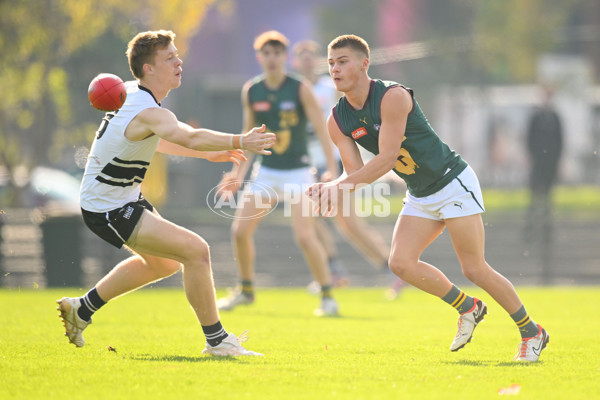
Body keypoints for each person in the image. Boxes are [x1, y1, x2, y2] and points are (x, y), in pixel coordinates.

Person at [307, 34, 549, 362]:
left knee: (474, 268)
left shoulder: (392, 96)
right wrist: (331, 187)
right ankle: (469, 307)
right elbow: (353, 172)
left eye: (342, 61)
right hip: (420, 192)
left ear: (364, 64)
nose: (334, 69)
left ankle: (531, 331)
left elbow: (388, 158)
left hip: (451, 181)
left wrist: (339, 187)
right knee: (400, 263)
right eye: (331, 63)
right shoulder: (337, 121)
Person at [57, 30, 276, 356]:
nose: (179, 61)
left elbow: (157, 137)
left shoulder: (132, 93)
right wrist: (239, 140)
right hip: (108, 207)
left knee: (165, 265)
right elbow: (187, 135)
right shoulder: (147, 108)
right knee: (196, 252)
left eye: (177, 55)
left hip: (118, 199)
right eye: (170, 58)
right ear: (149, 69)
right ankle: (217, 341)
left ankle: (82, 309)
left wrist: (206, 154)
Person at [216, 31, 340, 316]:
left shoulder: (299, 89)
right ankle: (246, 291)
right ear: (259, 58)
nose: (272, 59)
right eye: (266, 54)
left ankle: (327, 296)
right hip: (267, 172)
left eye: (277, 53)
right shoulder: (252, 90)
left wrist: (331, 169)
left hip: (299, 172)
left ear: (285, 57)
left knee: (305, 236)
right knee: (239, 231)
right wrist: (237, 174)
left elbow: (322, 129)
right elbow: (247, 139)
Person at [291, 40, 405, 298]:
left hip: (331, 160)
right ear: (296, 62)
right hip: (305, 164)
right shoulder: (292, 91)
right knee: (305, 219)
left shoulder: (327, 87)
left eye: (312, 56)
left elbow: (345, 115)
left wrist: (335, 168)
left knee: (348, 224)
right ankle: (334, 269)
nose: (308, 60)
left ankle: (390, 269)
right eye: (302, 56)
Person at [525, 85, 563, 248]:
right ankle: (530, 230)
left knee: (547, 196)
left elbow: (560, 142)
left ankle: (547, 231)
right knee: (535, 196)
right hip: (538, 163)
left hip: (550, 164)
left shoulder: (555, 117)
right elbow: (529, 140)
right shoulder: (536, 117)